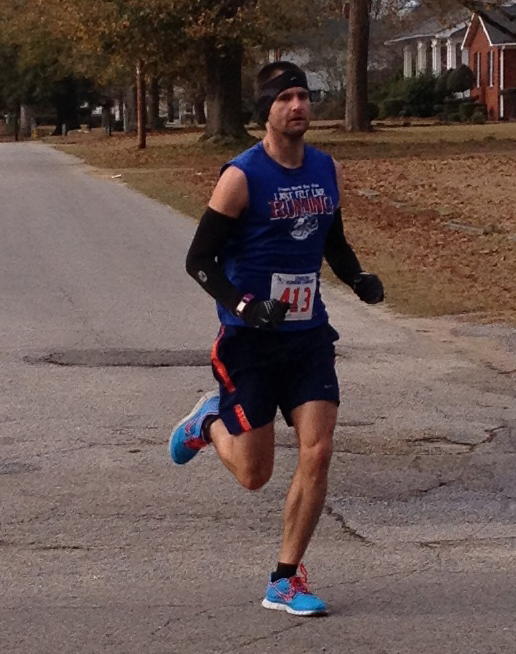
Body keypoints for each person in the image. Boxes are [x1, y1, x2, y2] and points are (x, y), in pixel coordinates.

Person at [169, 61, 384, 617]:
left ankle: (285, 579)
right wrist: (244, 305)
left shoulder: (327, 170)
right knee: (254, 474)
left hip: (308, 337)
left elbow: (332, 241)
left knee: (319, 450)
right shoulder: (241, 177)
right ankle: (207, 423)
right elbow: (199, 260)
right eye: (285, 97)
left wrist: (357, 278)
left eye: (304, 96)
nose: (297, 106)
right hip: (249, 341)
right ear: (265, 109)